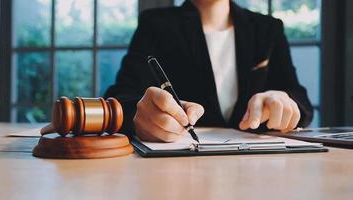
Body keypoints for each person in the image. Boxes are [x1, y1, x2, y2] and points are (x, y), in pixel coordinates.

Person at [105, 0, 313, 142]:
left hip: (258, 166)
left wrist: (284, 101)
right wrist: (138, 116)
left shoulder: (268, 28)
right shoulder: (155, 25)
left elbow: (299, 98)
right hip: (180, 167)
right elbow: (119, 97)